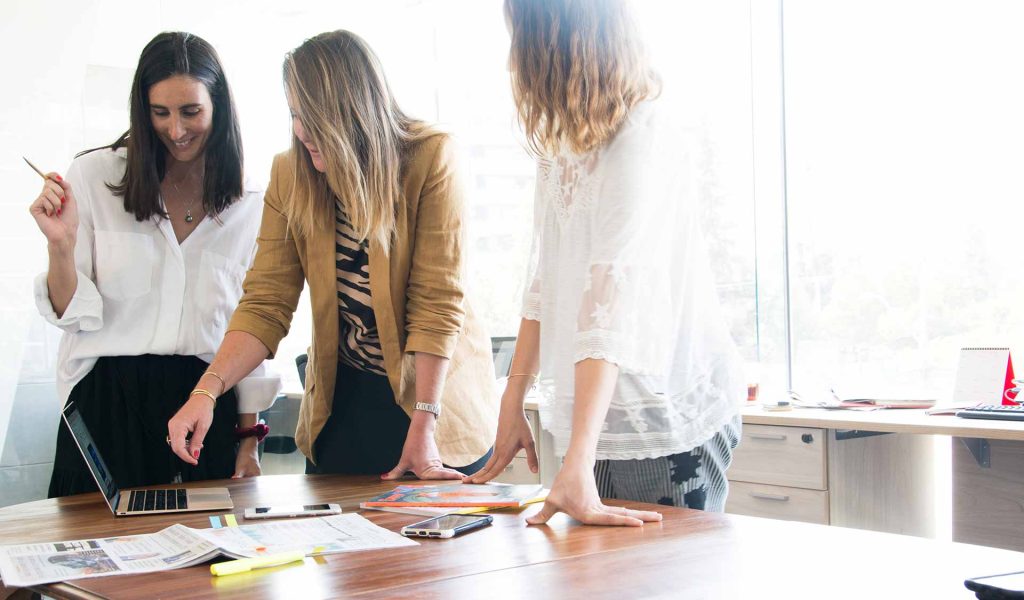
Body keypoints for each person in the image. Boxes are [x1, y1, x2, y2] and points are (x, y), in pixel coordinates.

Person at [167, 30, 497, 480]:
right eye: (295, 115)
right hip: (344, 402)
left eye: (314, 117)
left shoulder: (430, 158)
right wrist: (205, 392)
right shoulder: (290, 173)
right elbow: (266, 302)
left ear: (353, 111)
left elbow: (436, 302)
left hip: (433, 399)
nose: (302, 132)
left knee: (433, 548)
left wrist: (424, 425)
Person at [465, 0, 745, 526]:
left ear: (555, 43)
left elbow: (607, 305)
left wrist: (578, 458)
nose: (510, 63)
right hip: (593, 422)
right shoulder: (562, 143)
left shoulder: (643, 134)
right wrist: (514, 398)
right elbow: (545, 284)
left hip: (659, 420)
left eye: (518, 42)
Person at [31, 32, 279, 498]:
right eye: (159, 112)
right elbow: (74, 315)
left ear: (219, 108)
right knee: (91, 557)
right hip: (108, 402)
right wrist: (60, 247)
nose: (176, 129)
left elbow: (250, 327)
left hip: (205, 404)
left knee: (210, 557)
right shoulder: (95, 176)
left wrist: (249, 444)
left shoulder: (252, 203)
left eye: (191, 112)